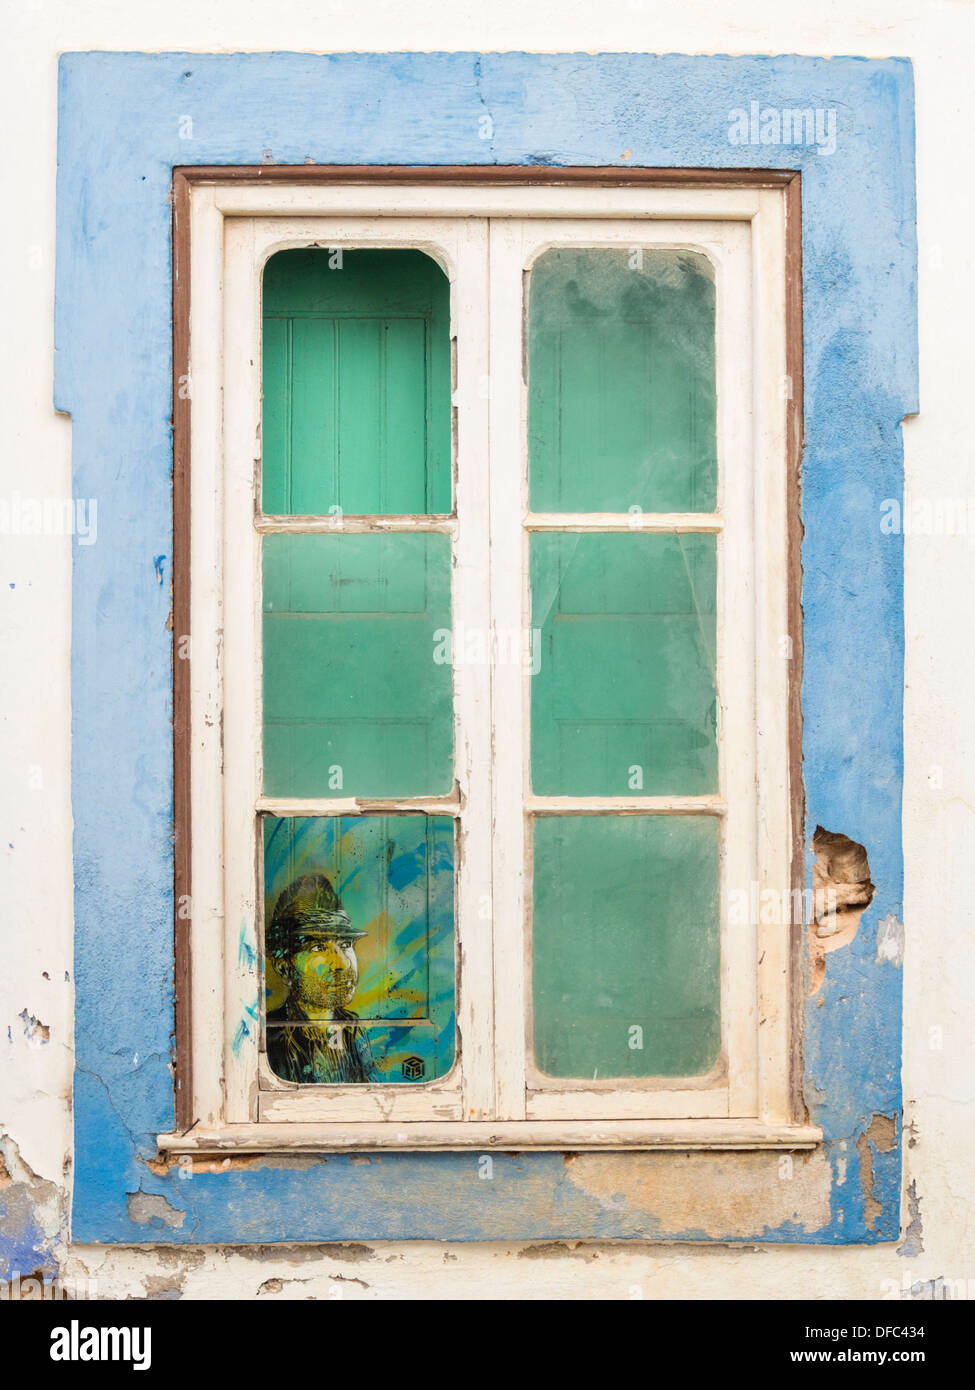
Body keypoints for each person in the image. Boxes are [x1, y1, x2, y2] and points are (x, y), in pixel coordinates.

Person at [265, 872, 380, 1084]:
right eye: (319, 947)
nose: (342, 964)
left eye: (345, 945)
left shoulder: (353, 1030)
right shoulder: (270, 1036)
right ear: (284, 967)